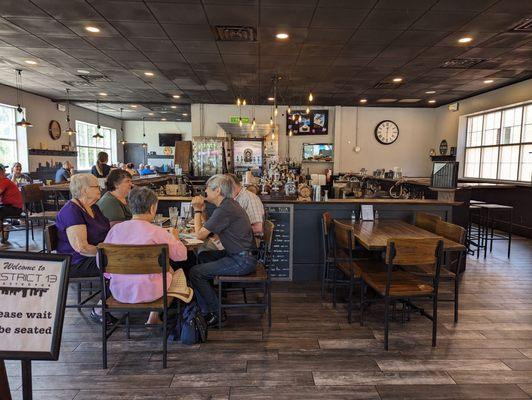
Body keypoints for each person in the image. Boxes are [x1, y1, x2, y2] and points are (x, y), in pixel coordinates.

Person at [103, 186, 188, 324]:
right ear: (153, 208)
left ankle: (152, 317)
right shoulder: (158, 232)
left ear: (130, 206)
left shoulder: (115, 230)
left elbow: (101, 262)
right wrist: (175, 237)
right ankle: (154, 317)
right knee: (173, 272)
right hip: (153, 292)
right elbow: (181, 255)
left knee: (166, 270)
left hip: (119, 291)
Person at [189, 174, 256, 327]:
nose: (205, 191)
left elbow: (200, 235)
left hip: (242, 260)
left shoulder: (225, 208)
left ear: (217, 190)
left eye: (207, 188)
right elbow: (210, 230)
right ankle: (208, 305)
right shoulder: (227, 205)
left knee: (195, 272)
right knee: (203, 256)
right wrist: (203, 212)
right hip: (240, 255)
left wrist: (197, 211)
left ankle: (216, 313)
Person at [55, 173, 110, 322]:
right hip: (77, 262)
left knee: (127, 260)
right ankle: (99, 310)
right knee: (121, 265)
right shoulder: (71, 211)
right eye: (96, 186)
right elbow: (82, 247)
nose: (100, 188)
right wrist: (110, 254)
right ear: (84, 190)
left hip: (96, 255)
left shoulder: (93, 208)